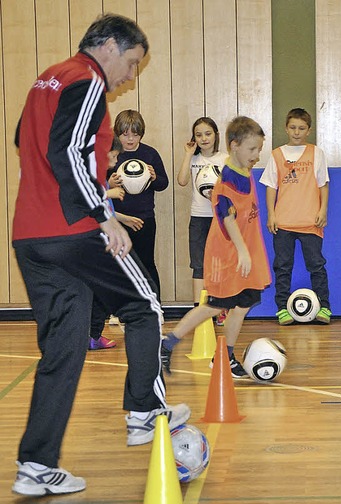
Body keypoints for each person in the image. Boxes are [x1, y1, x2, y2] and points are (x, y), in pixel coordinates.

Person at [11, 14, 189, 497]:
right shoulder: (86, 76)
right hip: (74, 228)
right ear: (108, 46)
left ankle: (36, 465)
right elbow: (67, 148)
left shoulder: (46, 79)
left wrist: (96, 160)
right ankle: (144, 414)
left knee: (63, 351)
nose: (130, 77)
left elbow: (25, 141)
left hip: (29, 236)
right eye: (132, 64)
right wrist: (102, 212)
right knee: (145, 306)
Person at [161, 116, 270, 377]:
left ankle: (225, 356)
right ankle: (167, 343)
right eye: (252, 149)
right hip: (229, 254)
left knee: (243, 304)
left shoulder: (244, 170)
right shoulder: (227, 181)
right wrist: (243, 251)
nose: (256, 155)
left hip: (247, 251)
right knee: (213, 305)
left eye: (259, 149)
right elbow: (227, 217)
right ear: (234, 146)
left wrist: (249, 250)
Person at [259, 108, 331, 325]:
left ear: (308, 130)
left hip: (310, 222)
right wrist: (271, 215)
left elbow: (323, 184)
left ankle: (325, 307)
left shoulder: (316, 153)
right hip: (283, 223)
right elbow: (271, 187)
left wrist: (323, 210)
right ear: (285, 128)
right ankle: (282, 309)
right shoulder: (276, 154)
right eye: (292, 128)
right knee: (282, 266)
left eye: (301, 128)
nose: (296, 132)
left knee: (316, 265)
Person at [89, 136, 144, 350]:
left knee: (102, 294)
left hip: (106, 240)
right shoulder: (91, 177)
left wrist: (123, 218)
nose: (116, 158)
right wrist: (107, 192)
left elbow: (104, 210)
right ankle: (92, 334)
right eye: (113, 154)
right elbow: (86, 201)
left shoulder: (100, 177)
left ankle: (93, 333)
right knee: (101, 293)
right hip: (97, 243)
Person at [109, 109, 168, 303]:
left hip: (144, 219)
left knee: (146, 263)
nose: (130, 139)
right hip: (117, 219)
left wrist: (153, 178)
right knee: (118, 266)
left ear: (141, 134)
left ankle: (154, 305)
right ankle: (120, 309)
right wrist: (109, 184)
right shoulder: (112, 155)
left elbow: (163, 183)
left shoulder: (149, 154)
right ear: (118, 133)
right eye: (125, 135)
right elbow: (96, 186)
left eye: (135, 135)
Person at [177, 116, 229, 325]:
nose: (204, 138)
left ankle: (220, 308)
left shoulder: (225, 158)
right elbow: (181, 181)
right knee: (198, 265)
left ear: (216, 135)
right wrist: (188, 154)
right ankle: (199, 310)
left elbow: (232, 188)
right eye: (199, 135)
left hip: (220, 218)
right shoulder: (194, 158)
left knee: (220, 265)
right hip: (198, 218)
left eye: (208, 133)